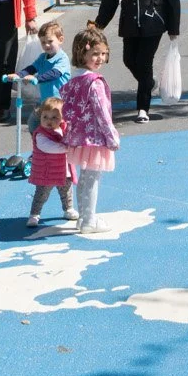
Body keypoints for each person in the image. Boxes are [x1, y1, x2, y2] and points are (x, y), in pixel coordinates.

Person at [94, 0, 181, 124]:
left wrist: (173, 27)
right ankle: (149, 82)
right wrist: (99, 24)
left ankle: (143, 108)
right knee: (128, 60)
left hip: (153, 23)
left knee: (144, 61)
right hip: (130, 23)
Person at [61, 24, 119, 234]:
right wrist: (111, 136)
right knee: (92, 178)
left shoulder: (74, 79)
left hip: (78, 136)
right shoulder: (94, 82)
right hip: (94, 137)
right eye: (95, 54)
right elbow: (102, 112)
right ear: (82, 53)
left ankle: (84, 217)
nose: (100, 58)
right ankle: (89, 220)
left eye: (103, 53)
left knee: (84, 178)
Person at [25, 96, 78, 229]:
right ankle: (34, 214)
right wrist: (67, 147)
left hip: (63, 169)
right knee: (41, 194)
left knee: (66, 191)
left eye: (54, 117)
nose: (49, 121)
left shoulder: (63, 129)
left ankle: (68, 208)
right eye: (45, 117)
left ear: (62, 118)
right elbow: (49, 147)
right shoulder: (41, 134)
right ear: (40, 117)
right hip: (46, 171)